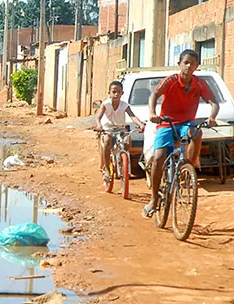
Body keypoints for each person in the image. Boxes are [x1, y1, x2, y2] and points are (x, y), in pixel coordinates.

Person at [143, 49, 219, 218]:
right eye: (186, 62)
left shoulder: (200, 84)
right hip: (166, 123)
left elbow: (214, 103)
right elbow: (154, 94)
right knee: (159, 158)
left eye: (193, 63)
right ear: (179, 64)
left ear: (197, 66)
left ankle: (188, 166)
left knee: (197, 133)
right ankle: (154, 199)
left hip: (186, 123)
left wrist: (212, 117)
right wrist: (152, 112)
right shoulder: (170, 81)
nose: (189, 66)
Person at [93, 81, 144, 183]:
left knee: (127, 141)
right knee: (107, 141)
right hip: (107, 129)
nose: (116, 94)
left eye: (118, 92)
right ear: (109, 93)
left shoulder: (124, 105)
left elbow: (132, 116)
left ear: (122, 93)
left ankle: (123, 162)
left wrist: (140, 124)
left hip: (120, 129)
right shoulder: (105, 104)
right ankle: (107, 169)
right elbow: (98, 117)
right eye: (114, 92)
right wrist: (99, 125)